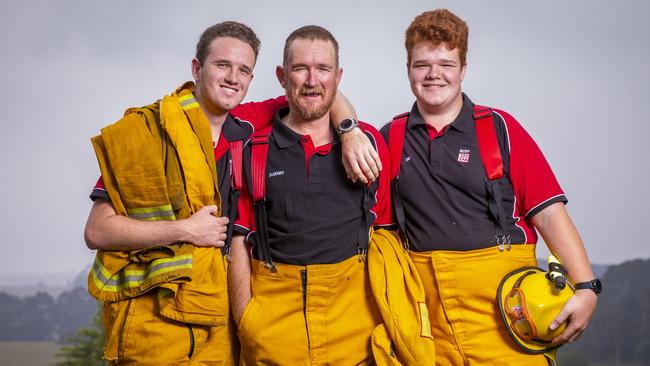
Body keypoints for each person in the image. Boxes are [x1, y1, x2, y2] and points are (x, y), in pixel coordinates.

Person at [84, 21, 379, 364]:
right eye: (222, 65)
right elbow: (96, 230)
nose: (232, 78)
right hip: (153, 321)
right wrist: (184, 230)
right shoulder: (150, 135)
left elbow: (315, 92)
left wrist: (349, 130)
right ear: (197, 68)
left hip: (214, 317)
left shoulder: (245, 124)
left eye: (243, 70)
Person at [379, 9, 599, 365]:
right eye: (422, 65)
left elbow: (547, 213)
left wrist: (587, 288)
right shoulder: (390, 138)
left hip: (505, 313)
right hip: (428, 321)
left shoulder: (498, 128)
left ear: (463, 69)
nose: (434, 74)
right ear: (408, 70)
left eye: (446, 64)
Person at [228, 25, 393, 365]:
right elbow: (238, 240)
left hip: (356, 331)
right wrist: (248, 320)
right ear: (282, 76)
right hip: (273, 329)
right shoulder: (252, 148)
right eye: (301, 68)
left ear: (339, 76)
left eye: (323, 69)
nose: (312, 80)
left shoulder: (371, 145)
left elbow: (387, 234)